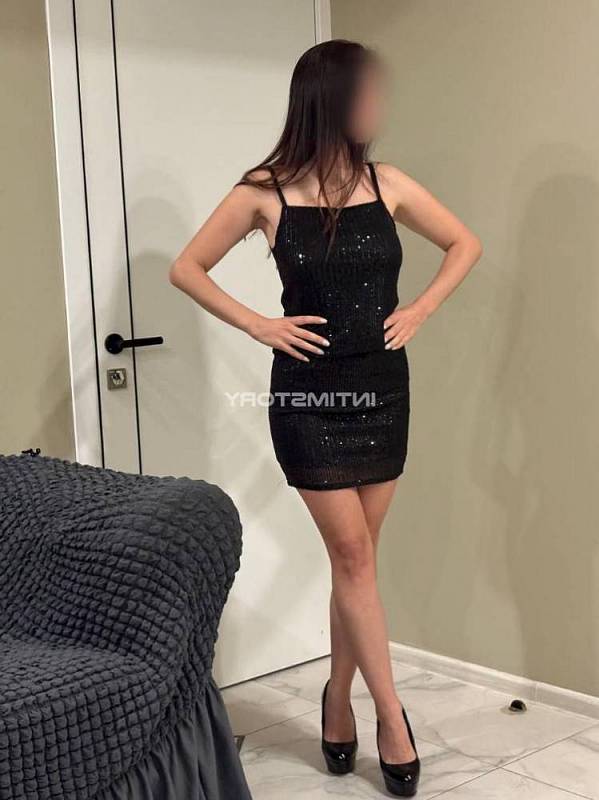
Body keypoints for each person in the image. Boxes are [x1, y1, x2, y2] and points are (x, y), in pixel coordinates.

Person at [170, 39, 482, 797]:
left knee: (357, 563)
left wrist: (420, 309)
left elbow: (463, 243)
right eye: (368, 92)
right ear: (332, 99)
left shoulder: (387, 183)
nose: (379, 105)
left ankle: (336, 697)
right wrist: (258, 324)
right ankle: (391, 719)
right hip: (309, 398)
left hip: (382, 390)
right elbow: (186, 267)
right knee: (353, 560)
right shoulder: (264, 192)